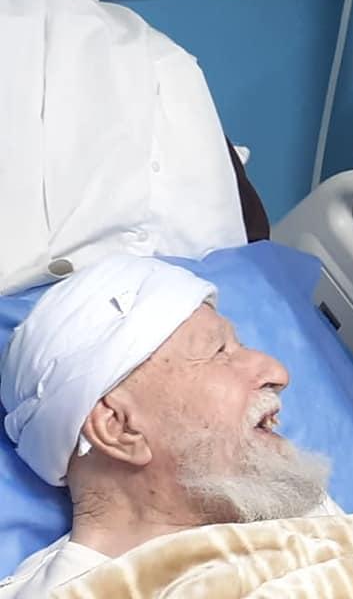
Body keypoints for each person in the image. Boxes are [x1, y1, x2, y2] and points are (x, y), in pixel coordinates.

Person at [0, 255, 336, 597]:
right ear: (119, 428)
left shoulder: (291, 501)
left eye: (241, 346)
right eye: (219, 352)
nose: (279, 373)